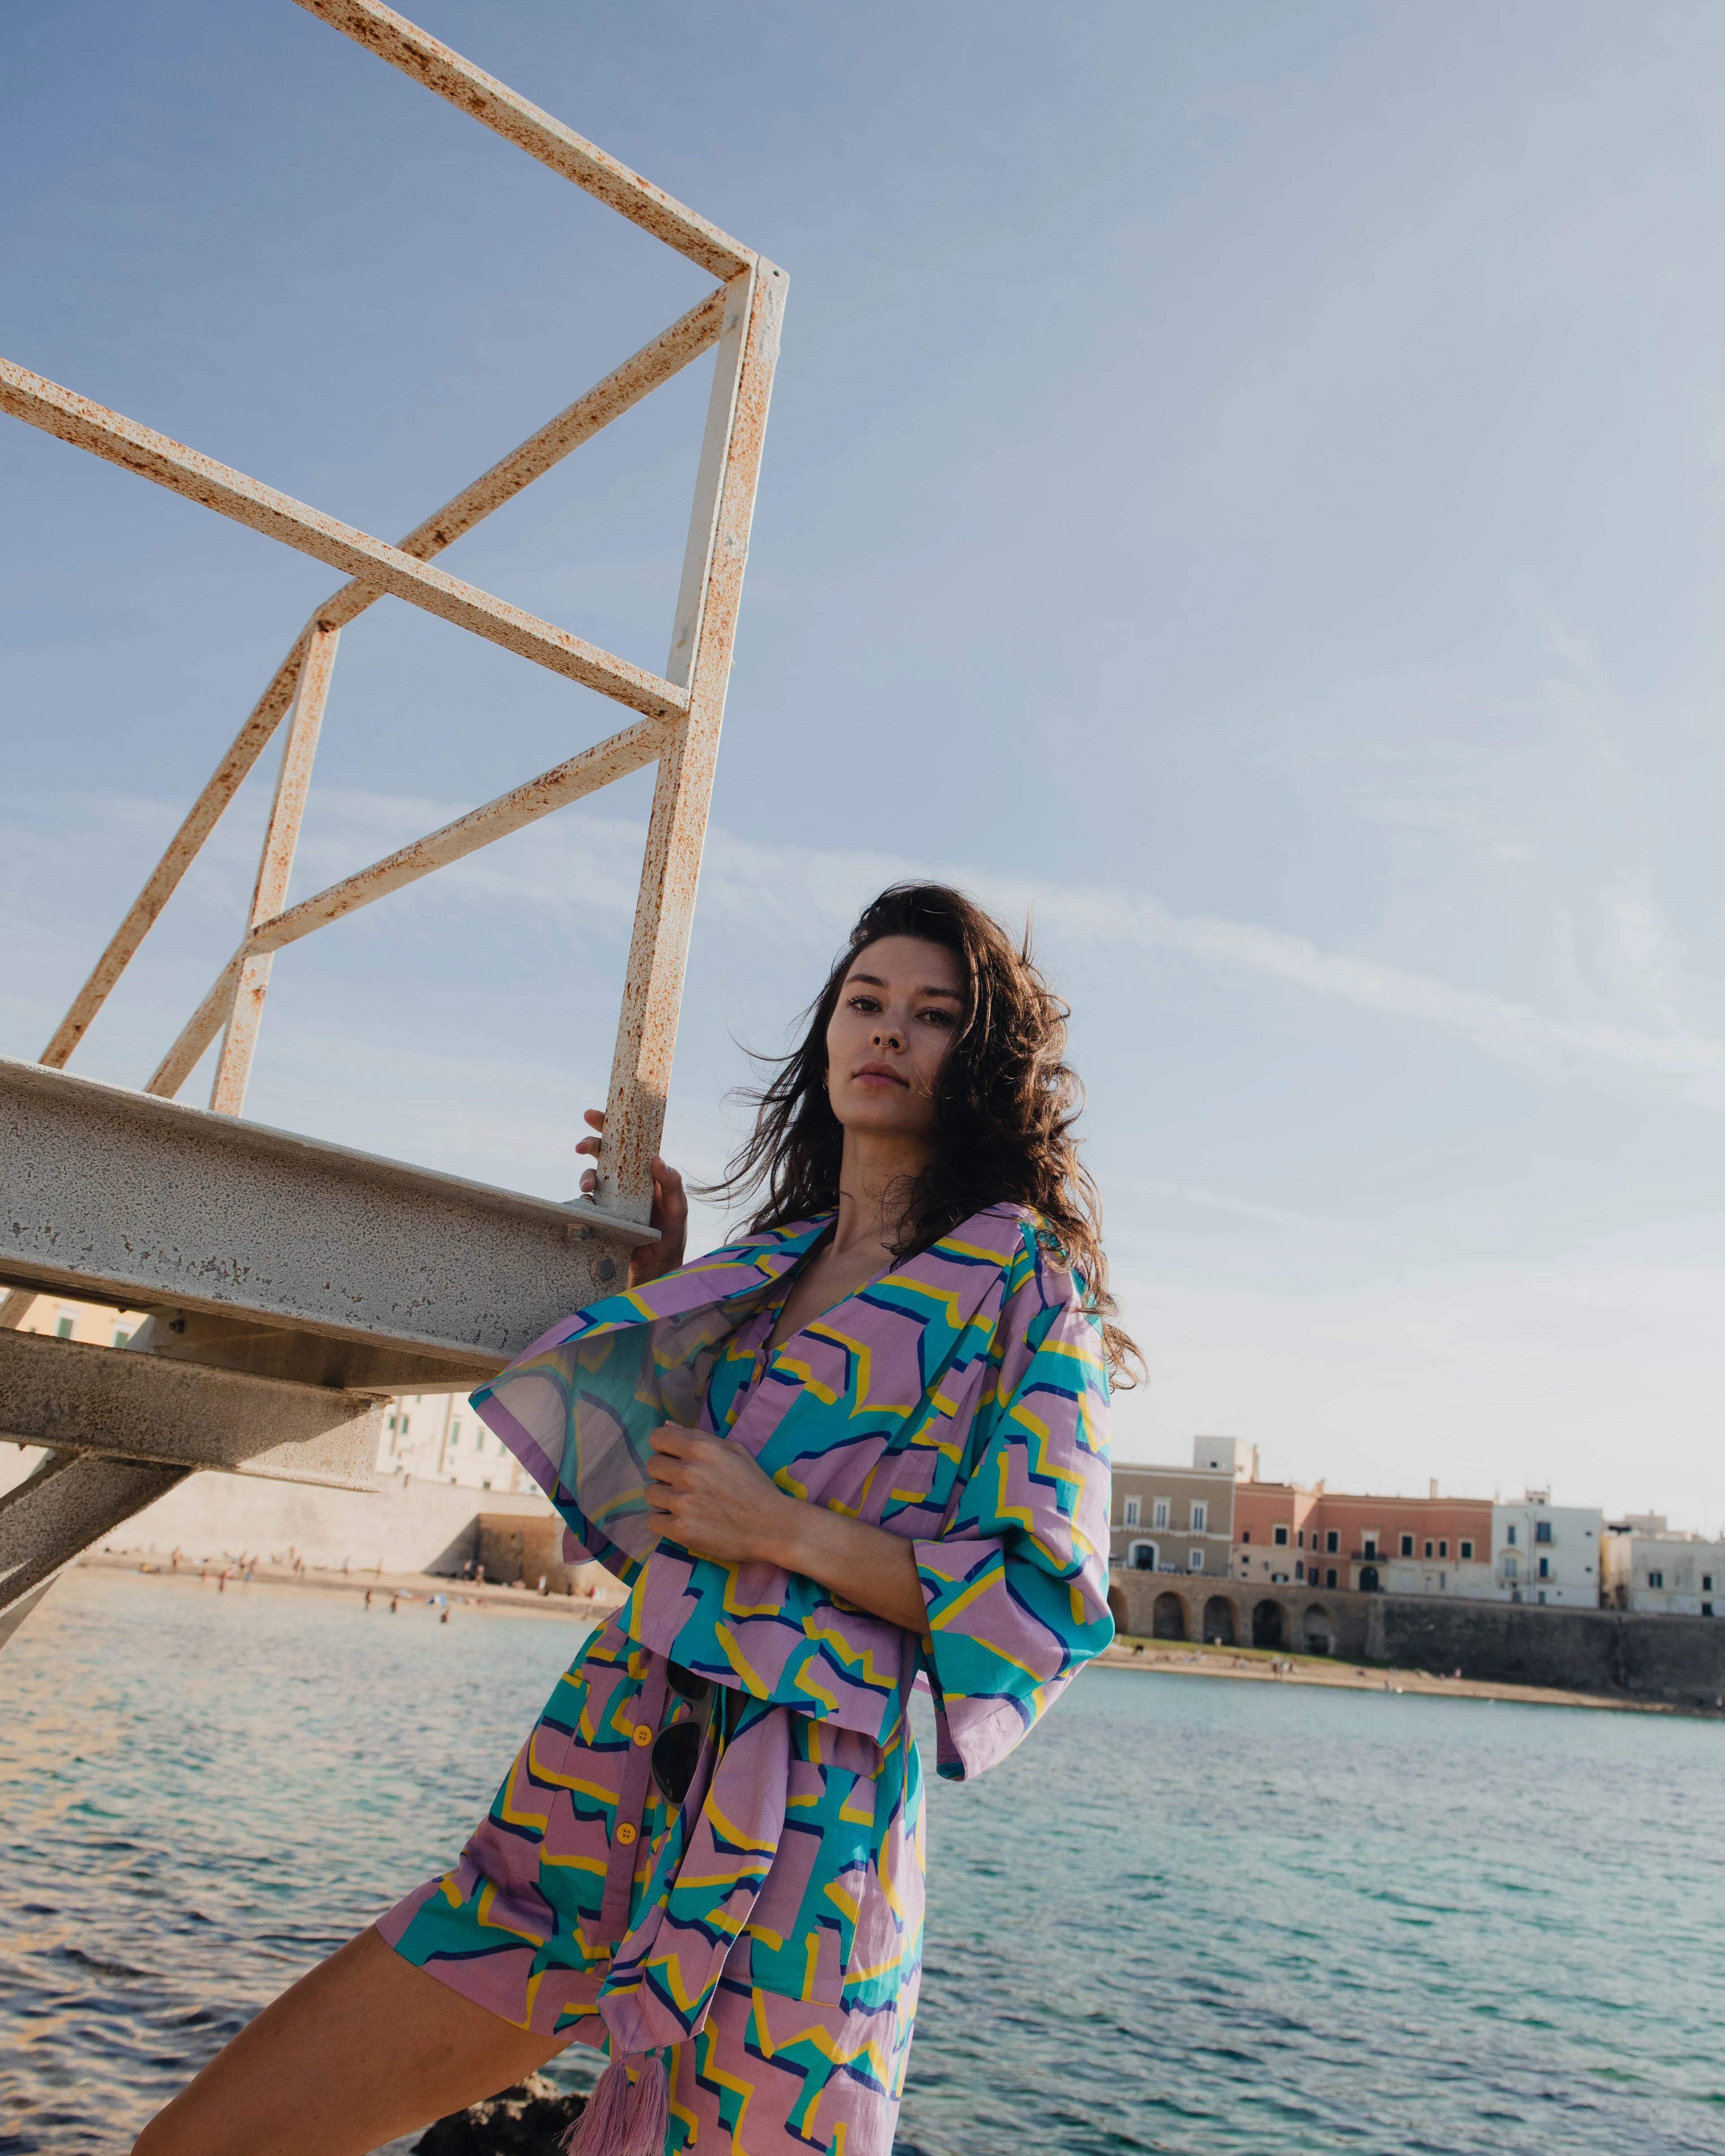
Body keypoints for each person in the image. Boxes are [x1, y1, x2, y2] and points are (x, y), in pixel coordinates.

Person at [134, 883, 1131, 2156]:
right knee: (202, 2144)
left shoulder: (1027, 1281)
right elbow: (659, 1518)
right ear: (827, 1034)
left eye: (933, 1015)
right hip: (602, 1765)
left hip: (807, 1839)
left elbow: (1044, 1605)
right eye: (864, 1001)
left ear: (980, 1061)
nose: (889, 1030)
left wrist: (782, 1529)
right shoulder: (767, 1270)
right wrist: (667, 1292)